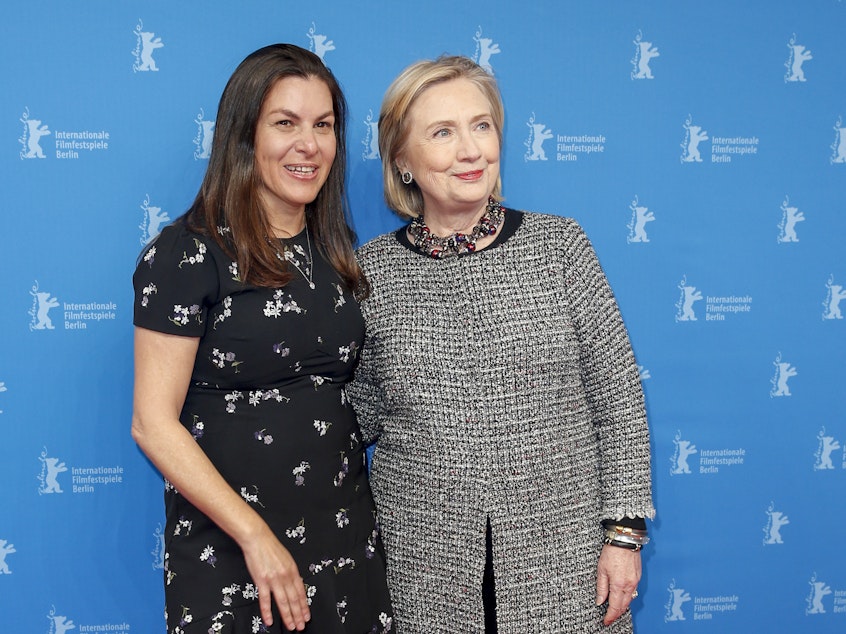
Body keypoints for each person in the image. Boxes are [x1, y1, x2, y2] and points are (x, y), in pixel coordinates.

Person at [346, 55, 655, 633]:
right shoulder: (372, 273)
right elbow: (354, 417)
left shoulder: (559, 246)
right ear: (402, 161)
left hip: (564, 565)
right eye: (443, 133)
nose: (471, 150)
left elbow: (616, 397)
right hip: (425, 571)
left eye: (481, 125)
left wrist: (624, 536)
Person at [131, 44, 393, 633]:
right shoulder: (188, 253)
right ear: (244, 136)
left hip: (347, 546)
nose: (309, 144)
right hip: (232, 553)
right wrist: (256, 538)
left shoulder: (334, 256)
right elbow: (152, 423)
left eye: (323, 125)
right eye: (285, 123)